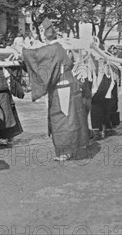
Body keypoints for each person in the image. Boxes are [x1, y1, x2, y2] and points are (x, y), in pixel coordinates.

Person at [22, 18, 90, 161]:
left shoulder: (52, 48)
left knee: (61, 119)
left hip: (62, 88)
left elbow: (34, 56)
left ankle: (65, 152)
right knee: (71, 118)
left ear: (43, 32)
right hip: (68, 86)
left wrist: (22, 51)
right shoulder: (58, 47)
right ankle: (72, 148)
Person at [90, 60, 119, 140]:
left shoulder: (112, 75)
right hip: (97, 95)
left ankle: (108, 129)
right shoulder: (98, 73)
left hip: (108, 95)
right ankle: (97, 132)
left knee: (108, 112)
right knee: (96, 112)